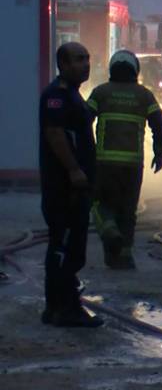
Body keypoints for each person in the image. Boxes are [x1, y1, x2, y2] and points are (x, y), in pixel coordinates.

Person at [39, 42, 102, 327]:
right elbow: (55, 134)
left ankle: (62, 307)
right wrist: (75, 170)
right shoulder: (57, 96)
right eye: (78, 59)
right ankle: (62, 309)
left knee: (73, 248)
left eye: (87, 58)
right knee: (64, 248)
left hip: (76, 187)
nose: (85, 64)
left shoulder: (74, 96)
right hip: (64, 187)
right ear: (63, 65)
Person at [87, 50, 162, 269]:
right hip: (133, 166)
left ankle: (110, 231)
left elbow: (82, 121)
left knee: (99, 204)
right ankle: (124, 257)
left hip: (104, 164)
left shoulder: (100, 93)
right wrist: (159, 154)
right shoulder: (144, 96)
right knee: (128, 210)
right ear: (135, 70)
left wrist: (86, 152)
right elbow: (160, 126)